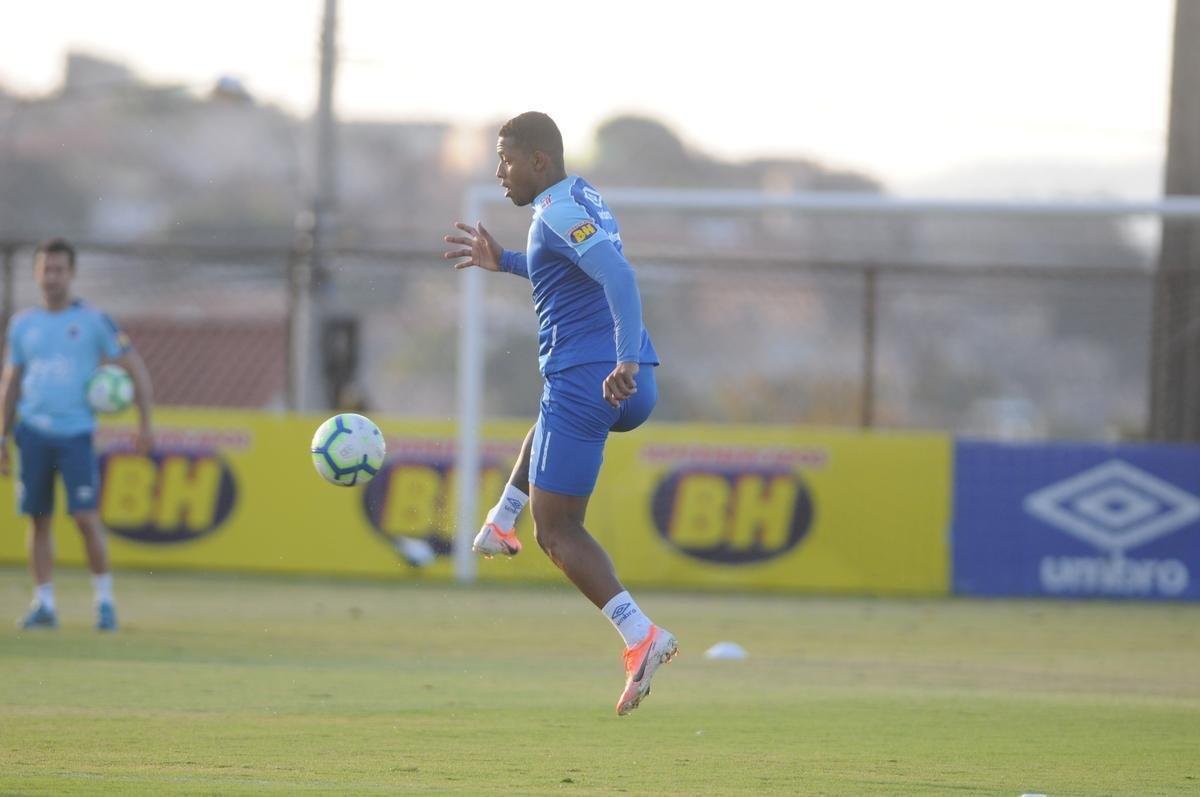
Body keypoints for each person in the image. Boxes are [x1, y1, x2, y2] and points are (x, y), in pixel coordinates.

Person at [443, 111, 676, 715]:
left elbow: (619, 277)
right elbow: (567, 266)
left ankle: (640, 634)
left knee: (559, 531)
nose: (499, 172)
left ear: (538, 161)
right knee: (544, 422)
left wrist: (620, 359)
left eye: (507, 159)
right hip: (630, 380)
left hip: (596, 377)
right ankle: (500, 521)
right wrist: (508, 262)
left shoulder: (559, 211)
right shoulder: (579, 198)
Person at [0, 238, 155, 631]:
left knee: (85, 518)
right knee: (38, 520)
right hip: (31, 432)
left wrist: (144, 423)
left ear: (71, 273)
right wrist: (2, 436)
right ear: (36, 274)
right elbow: (12, 382)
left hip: (76, 435)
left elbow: (134, 368)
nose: (51, 277)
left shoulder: (93, 321)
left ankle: (104, 602)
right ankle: (45, 604)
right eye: (45, 270)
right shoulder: (23, 325)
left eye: (58, 270)